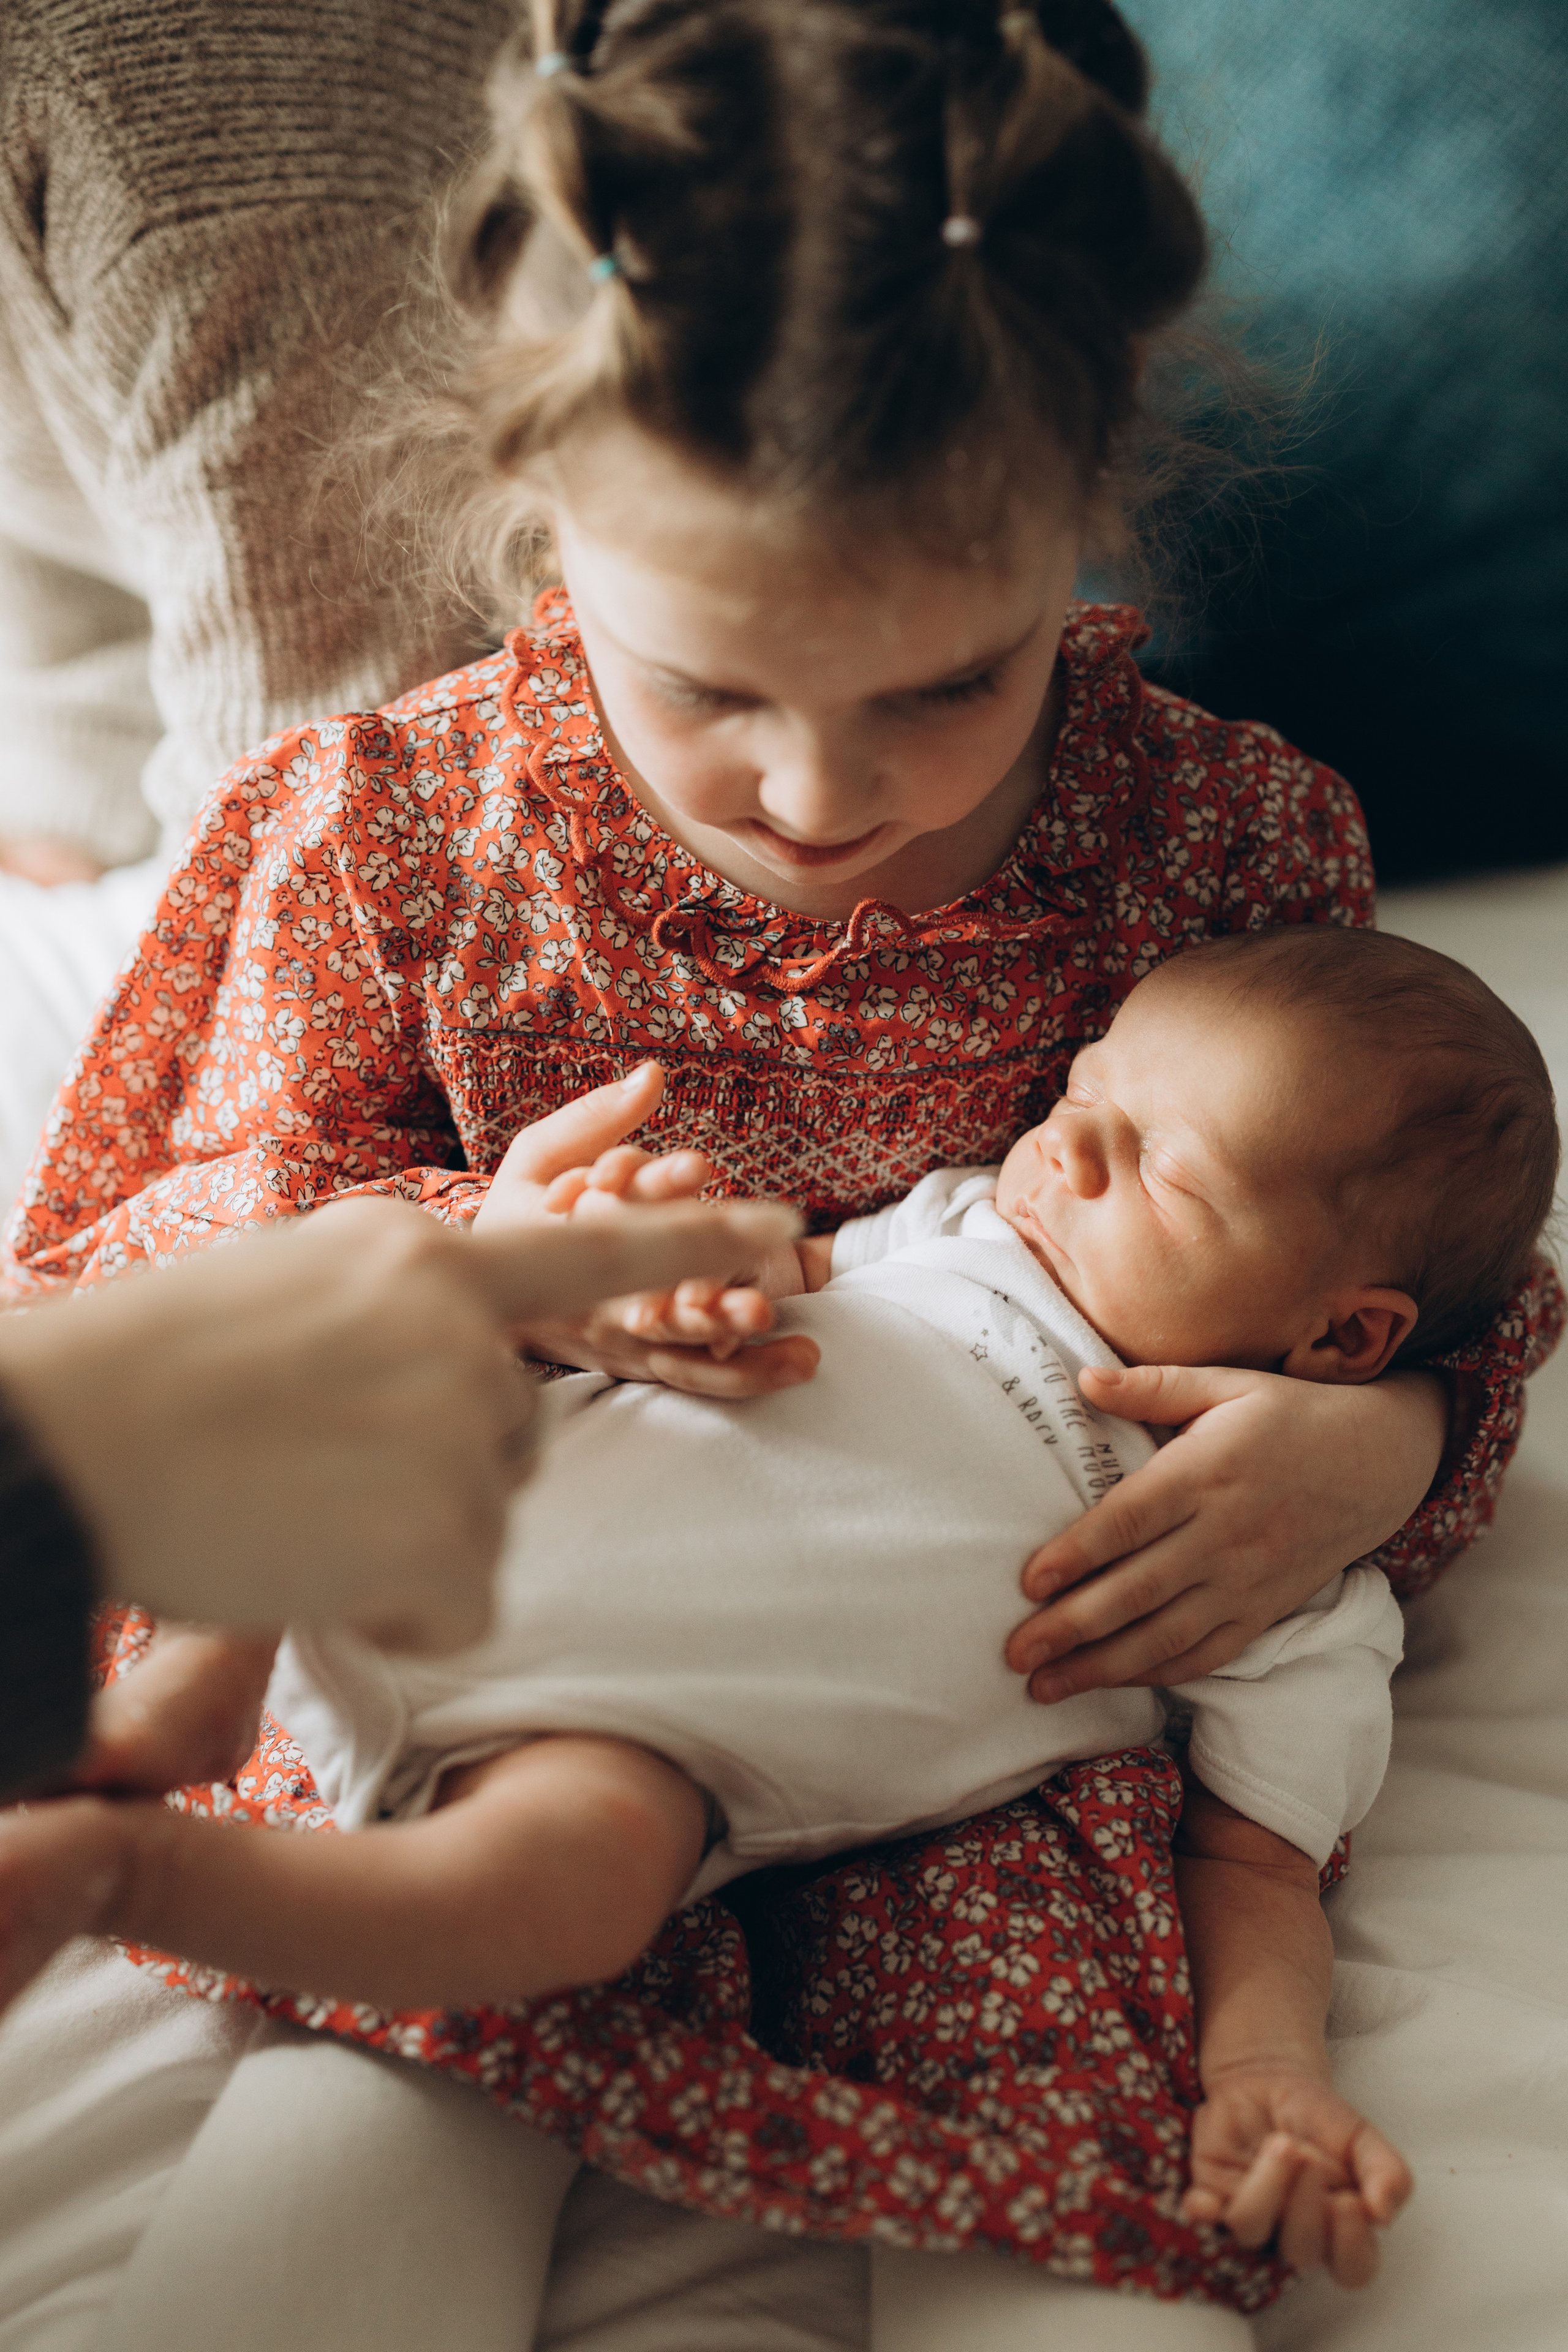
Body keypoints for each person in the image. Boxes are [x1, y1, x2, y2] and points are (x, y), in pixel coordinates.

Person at [4, 0, 1562, 2316]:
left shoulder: (1228, 839)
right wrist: (485, 1249)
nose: (828, 801)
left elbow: (1414, 1234)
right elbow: (139, 1254)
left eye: (949, 681)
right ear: (541, 511)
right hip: (538, 1621)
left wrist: (1379, 1430)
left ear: (1088, 509)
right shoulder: (386, 833)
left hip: (985, 1735)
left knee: (1104, 2242)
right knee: (361, 2162)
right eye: (713, 686)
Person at [4, 930, 1555, 2327]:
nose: (1064, 1140)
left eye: (1159, 1166)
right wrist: (681, 1280)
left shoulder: (1282, 1577)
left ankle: (146, 1866)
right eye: (1082, 1089)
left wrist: (1264, 2068)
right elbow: (777, 1272)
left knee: (567, 1906)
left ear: (1343, 1335)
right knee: (342, 1364)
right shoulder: (957, 1224)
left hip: (630, 1743)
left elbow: (1254, 1863)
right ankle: (203, 1676)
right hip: (488, 1496)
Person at [0, 1185, 799, 1800]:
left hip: (646, 1498)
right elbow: (310, 1144)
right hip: (468, 1281)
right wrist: (503, 1215)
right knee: (349, 1241)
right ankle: (214, 1655)